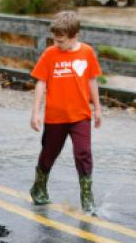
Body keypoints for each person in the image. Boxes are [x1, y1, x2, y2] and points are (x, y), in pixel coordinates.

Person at [29, 11, 103, 213]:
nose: (57, 44)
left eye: (61, 41)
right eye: (55, 39)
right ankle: (39, 186)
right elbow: (41, 83)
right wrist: (35, 113)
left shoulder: (87, 53)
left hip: (80, 115)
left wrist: (97, 108)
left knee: (83, 153)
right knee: (49, 154)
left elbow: (92, 80)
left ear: (75, 36)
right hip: (55, 116)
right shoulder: (50, 54)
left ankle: (87, 195)